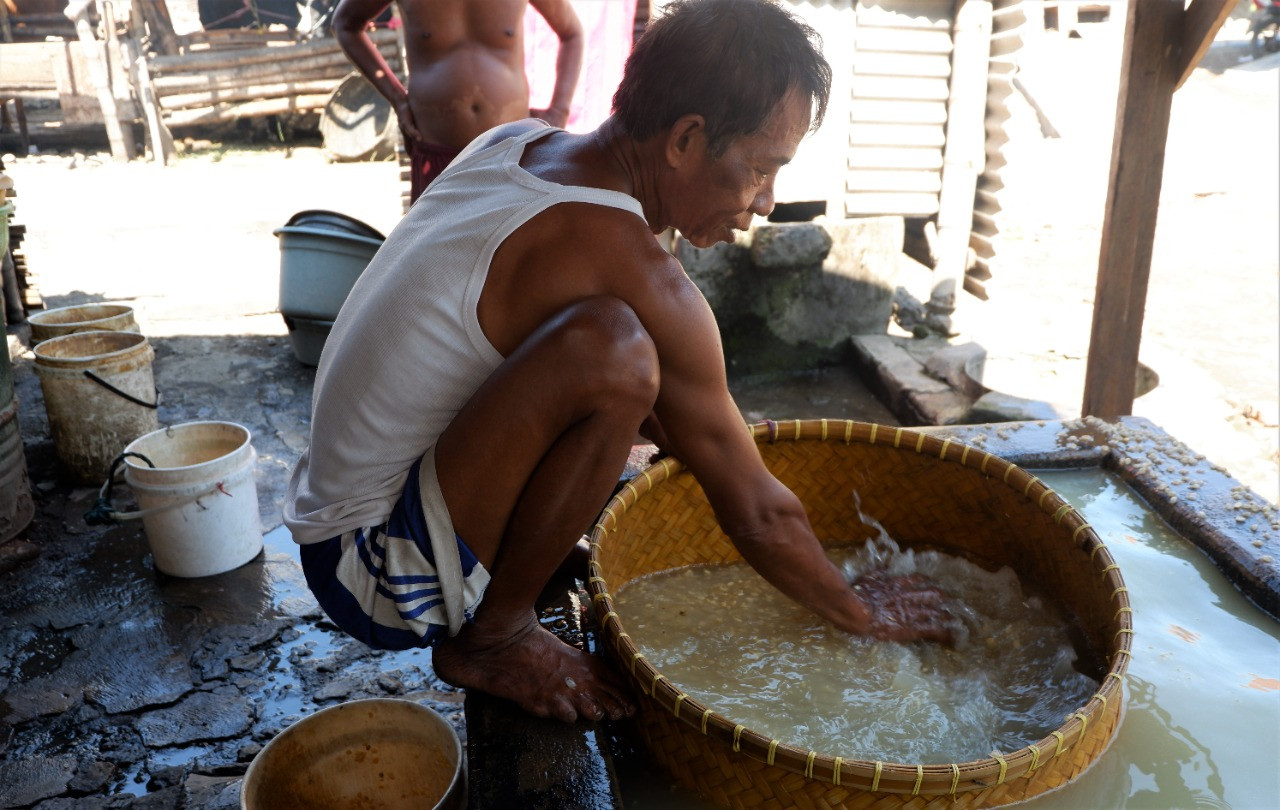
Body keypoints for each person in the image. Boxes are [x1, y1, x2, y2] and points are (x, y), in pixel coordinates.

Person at [285, 0, 954, 725]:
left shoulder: (520, 141)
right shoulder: (626, 261)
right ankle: (496, 634)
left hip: (338, 515)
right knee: (617, 354)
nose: (765, 202)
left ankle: (500, 579)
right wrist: (855, 608)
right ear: (686, 139)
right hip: (370, 572)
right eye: (760, 169)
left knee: (645, 376)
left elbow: (687, 423)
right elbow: (755, 508)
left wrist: (722, 443)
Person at [332, 0, 584, 204]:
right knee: (439, 261)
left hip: (513, 153)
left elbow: (572, 32)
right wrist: (398, 99)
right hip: (438, 151)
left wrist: (559, 110)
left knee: (514, 259)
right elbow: (345, 24)